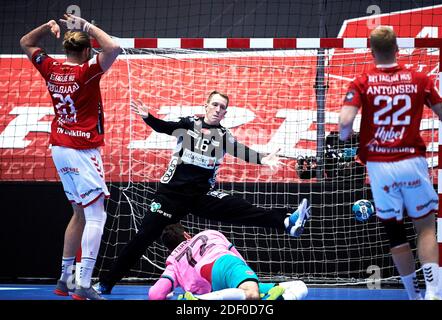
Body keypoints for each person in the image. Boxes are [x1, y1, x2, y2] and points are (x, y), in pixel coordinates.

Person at [94, 91, 311, 294]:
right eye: (214, 104)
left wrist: (263, 159)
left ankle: (286, 222)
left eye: (222, 107)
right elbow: (165, 127)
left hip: (201, 196)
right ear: (205, 106)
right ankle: (106, 283)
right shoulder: (190, 124)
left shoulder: (224, 136)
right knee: (142, 238)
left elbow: (241, 151)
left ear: (225, 113)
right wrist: (148, 117)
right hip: (170, 195)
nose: (218, 109)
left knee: (241, 208)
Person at [339, 26, 442, 300]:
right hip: (411, 160)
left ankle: (413, 294)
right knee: (425, 226)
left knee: (394, 232)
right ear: (397, 49)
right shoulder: (420, 78)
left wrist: (345, 137)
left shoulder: (362, 81)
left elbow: (344, 123)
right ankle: (434, 291)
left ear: (371, 50)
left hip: (379, 167)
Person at [20, 13, 121, 300]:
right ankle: (85, 283)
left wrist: (47, 27)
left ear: (66, 50)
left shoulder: (50, 67)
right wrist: (86, 25)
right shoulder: (87, 72)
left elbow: (26, 42)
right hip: (81, 151)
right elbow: (113, 48)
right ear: (87, 51)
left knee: (79, 212)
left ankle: (65, 280)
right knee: (96, 216)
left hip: (59, 149)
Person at [148, 223, 308, 300]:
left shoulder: (173, 260)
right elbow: (236, 257)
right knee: (252, 292)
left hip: (215, 284)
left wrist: (170, 296)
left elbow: (155, 294)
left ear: (169, 248)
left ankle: (274, 298)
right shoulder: (207, 233)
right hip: (224, 262)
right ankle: (199, 301)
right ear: (186, 235)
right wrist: (249, 278)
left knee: (299, 286)